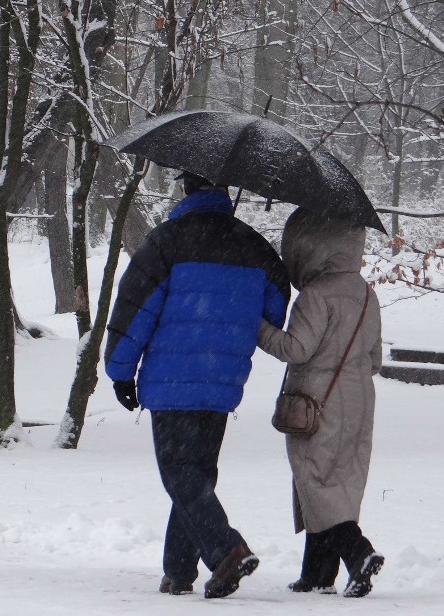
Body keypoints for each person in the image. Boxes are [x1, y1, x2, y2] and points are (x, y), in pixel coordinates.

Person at [104, 172, 290, 599]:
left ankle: (227, 550)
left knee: (179, 473)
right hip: (223, 380)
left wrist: (120, 372)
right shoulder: (255, 248)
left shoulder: (166, 242)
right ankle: (178, 571)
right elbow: (275, 306)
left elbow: (135, 309)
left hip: (172, 381)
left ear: (185, 189)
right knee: (197, 475)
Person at [257, 207, 384, 598]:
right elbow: (375, 359)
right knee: (338, 481)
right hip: (360, 398)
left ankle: (357, 551)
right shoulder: (366, 293)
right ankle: (318, 573)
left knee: (314, 480)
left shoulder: (315, 295)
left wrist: (258, 328)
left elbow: (296, 349)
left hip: (317, 400)